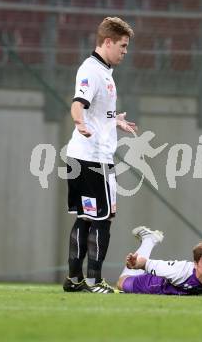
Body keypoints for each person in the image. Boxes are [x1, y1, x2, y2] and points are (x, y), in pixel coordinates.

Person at [63, 17, 136, 294]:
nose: (125, 51)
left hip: (81, 157)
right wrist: (80, 123)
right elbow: (78, 104)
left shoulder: (102, 71)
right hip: (94, 159)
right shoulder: (92, 71)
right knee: (103, 220)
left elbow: (92, 108)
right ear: (107, 42)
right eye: (122, 45)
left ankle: (74, 279)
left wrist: (112, 120)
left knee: (85, 218)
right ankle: (95, 281)